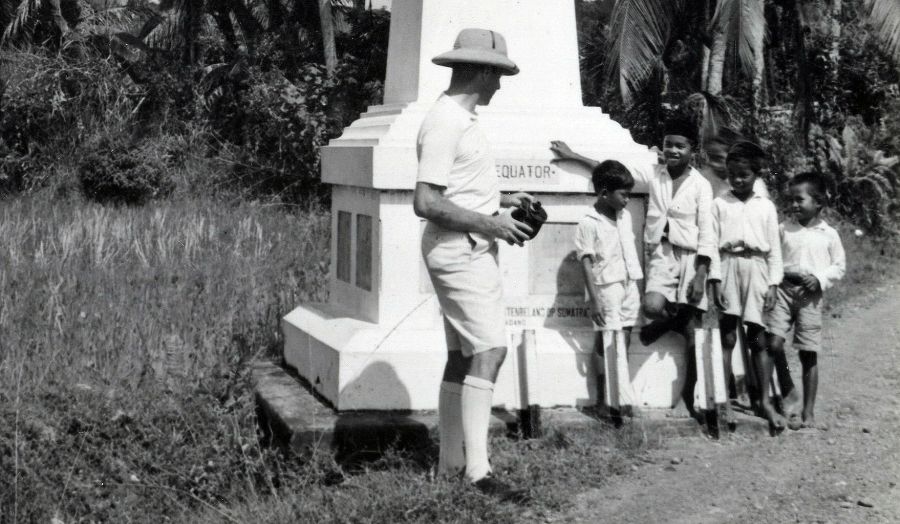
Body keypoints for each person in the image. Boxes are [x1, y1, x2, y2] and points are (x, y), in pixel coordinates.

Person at [413, 28, 533, 502]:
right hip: (459, 249)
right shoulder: (447, 121)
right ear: (482, 71)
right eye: (498, 74)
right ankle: (478, 474)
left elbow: (456, 187)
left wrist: (503, 202)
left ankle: (452, 464)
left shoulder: (460, 118)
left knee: (463, 356)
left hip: (465, 245)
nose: (500, 84)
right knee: (490, 350)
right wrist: (492, 223)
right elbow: (426, 202)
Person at [551, 116, 717, 416]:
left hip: (693, 257)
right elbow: (612, 174)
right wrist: (574, 156)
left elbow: (707, 231)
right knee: (651, 307)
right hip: (661, 254)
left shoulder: (701, 185)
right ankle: (672, 322)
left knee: (694, 330)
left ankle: (687, 396)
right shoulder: (654, 174)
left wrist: (701, 275)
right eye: (668, 145)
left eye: (680, 146)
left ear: (692, 149)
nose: (673, 151)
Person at [708, 141, 783, 430]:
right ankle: (723, 401)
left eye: (744, 175)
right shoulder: (719, 204)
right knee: (727, 335)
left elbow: (774, 250)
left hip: (758, 268)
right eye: (732, 175)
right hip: (728, 265)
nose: (738, 180)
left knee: (758, 338)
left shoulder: (766, 206)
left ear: (756, 174)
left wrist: (773, 284)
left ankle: (763, 400)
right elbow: (712, 246)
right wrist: (715, 280)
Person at [765, 172, 846, 431]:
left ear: (818, 202)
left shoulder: (829, 234)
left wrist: (820, 279)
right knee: (773, 342)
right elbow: (773, 258)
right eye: (791, 199)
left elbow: (839, 266)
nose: (794, 204)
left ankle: (808, 411)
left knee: (808, 352)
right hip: (783, 290)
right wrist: (775, 281)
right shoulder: (783, 229)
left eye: (800, 199)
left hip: (810, 297)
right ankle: (780, 393)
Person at [573, 160, 643, 420]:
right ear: (604, 193)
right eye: (623, 194)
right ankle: (605, 400)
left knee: (624, 338)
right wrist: (594, 300)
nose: (627, 199)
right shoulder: (589, 222)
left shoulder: (625, 216)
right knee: (606, 341)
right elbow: (586, 262)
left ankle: (621, 396)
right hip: (606, 287)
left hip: (629, 283)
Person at [701, 133, 770, 200]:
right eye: (710, 157)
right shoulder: (704, 177)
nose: (712, 163)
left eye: (718, 158)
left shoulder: (754, 184)